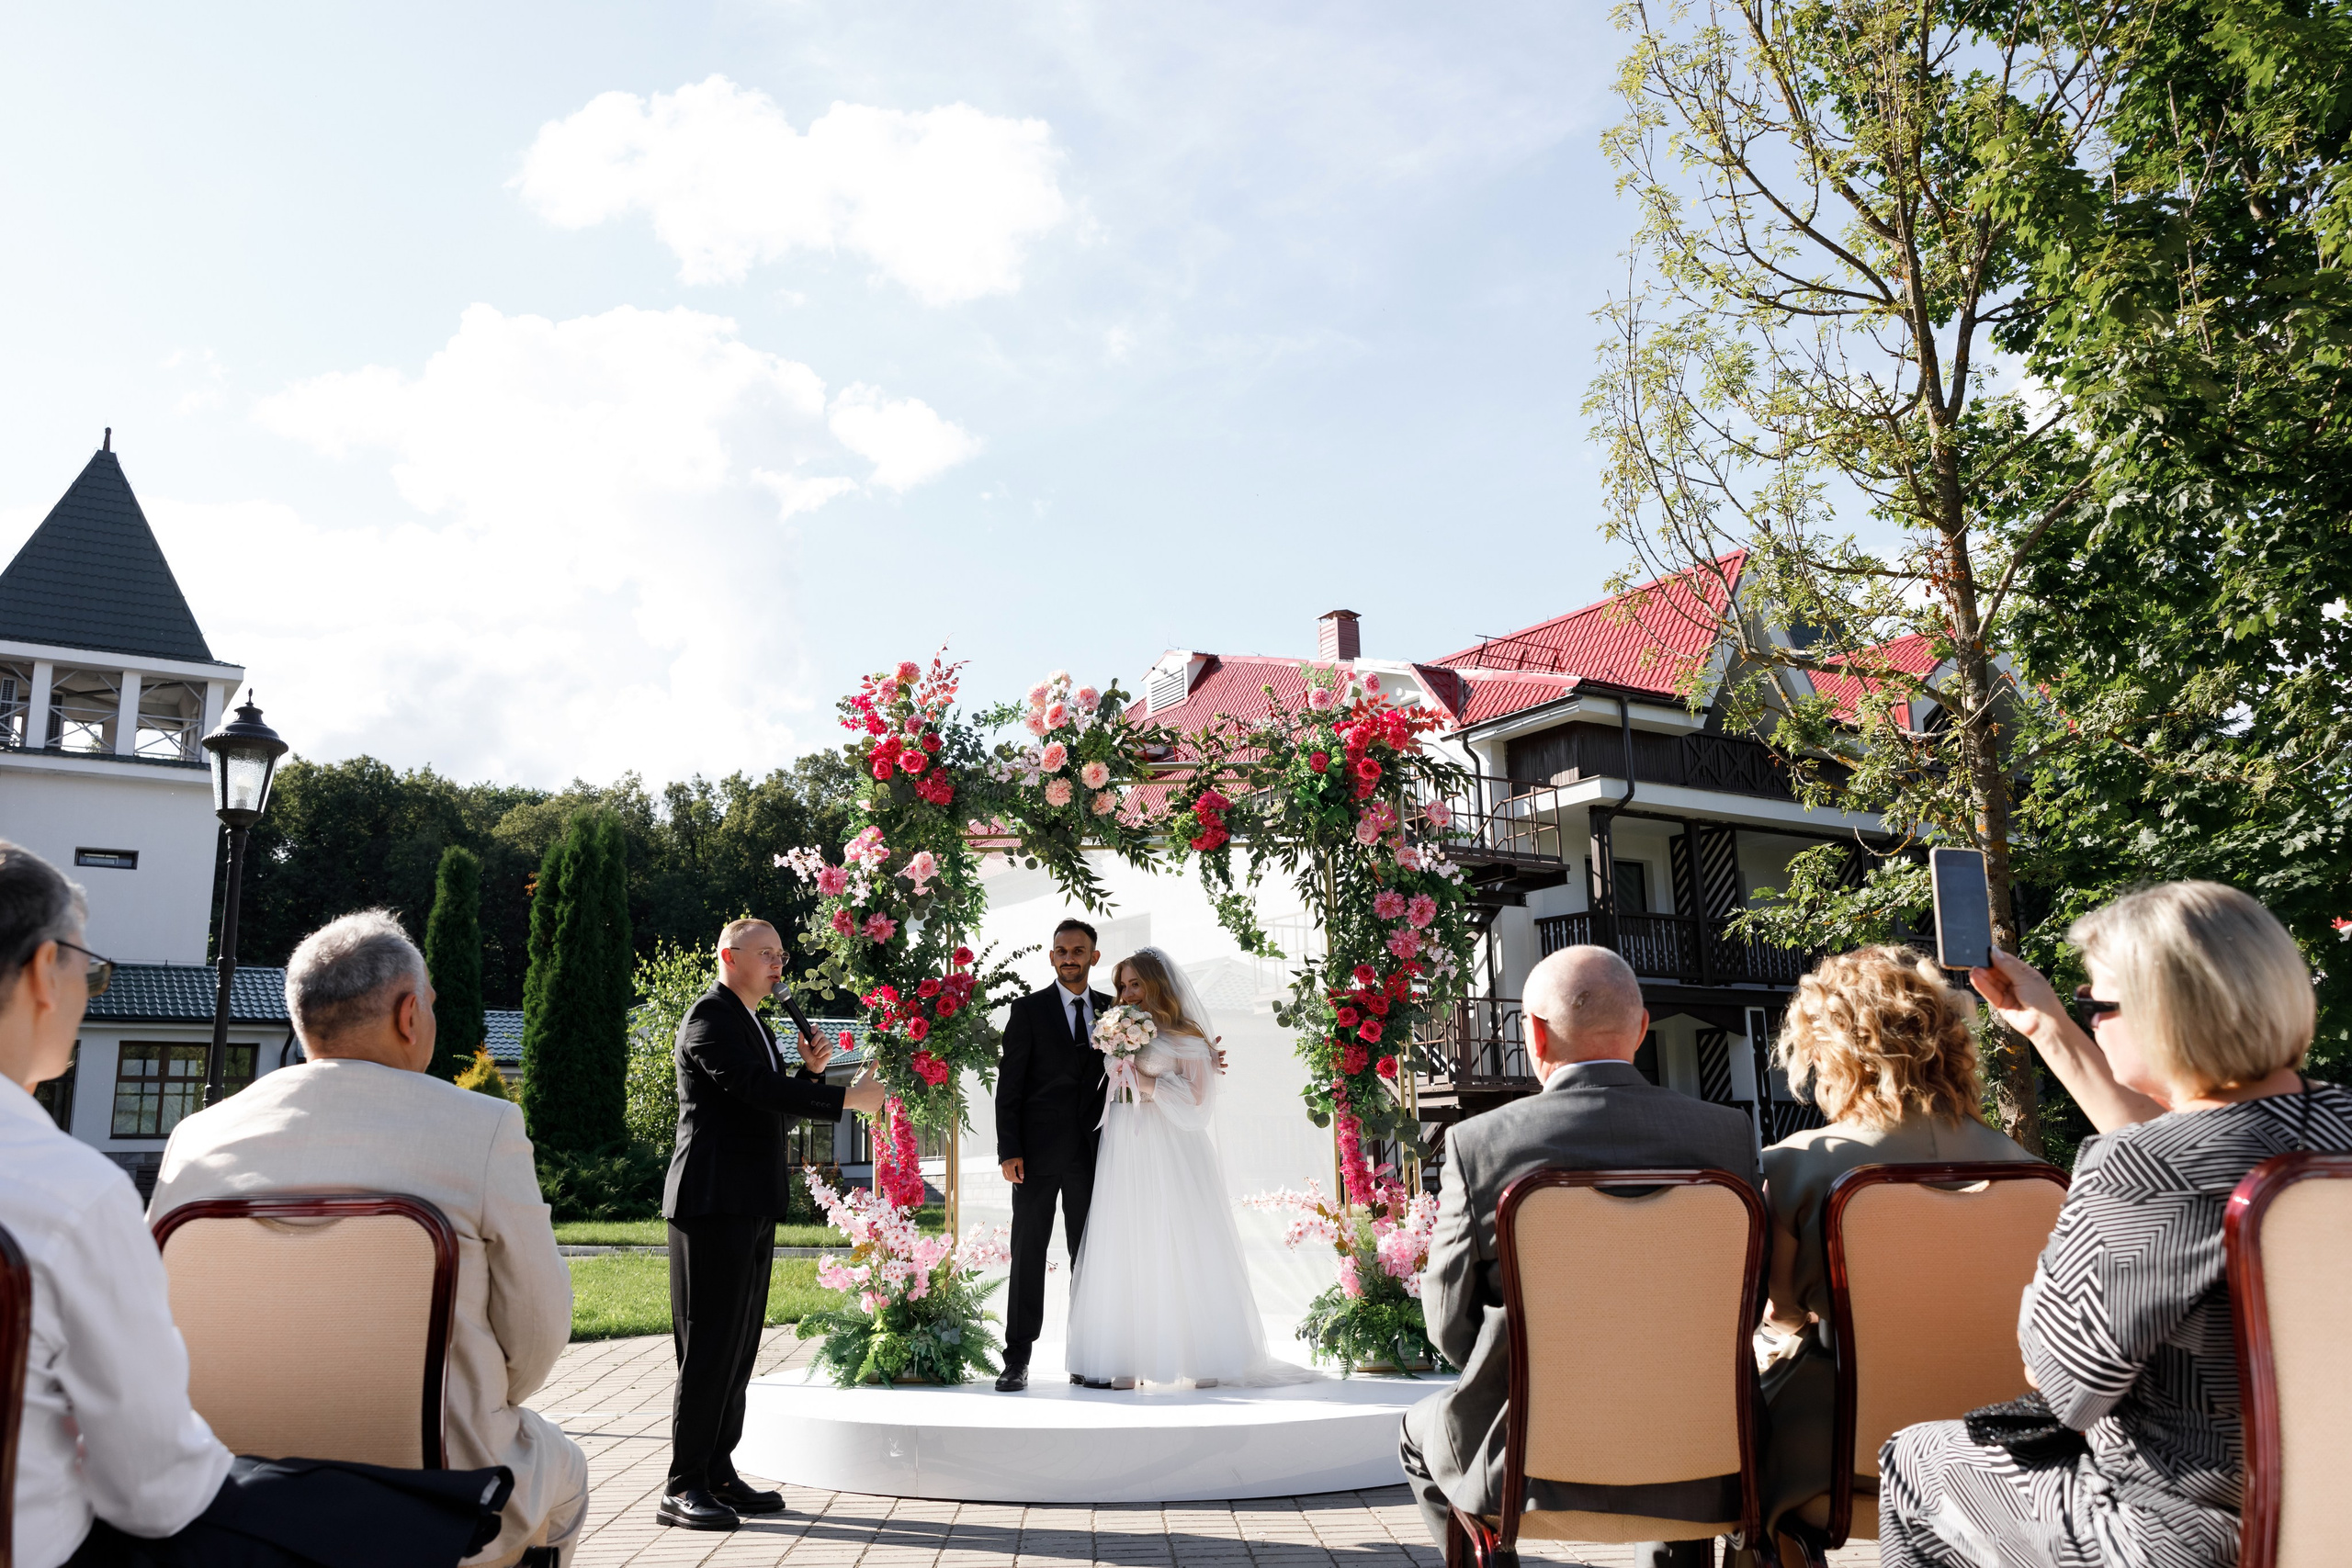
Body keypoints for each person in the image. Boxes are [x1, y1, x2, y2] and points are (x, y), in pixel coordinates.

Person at [0, 842, 511, 1568]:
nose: (91, 989)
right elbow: (153, 1490)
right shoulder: (69, 1193)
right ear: (43, 972)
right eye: (89, 967)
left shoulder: (188, 1138)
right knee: (406, 1516)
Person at [1878, 882, 2352, 1568]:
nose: (2092, 1020)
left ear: (2168, 1017)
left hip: (2183, 1533)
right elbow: (2203, 1155)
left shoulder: (2143, 1170)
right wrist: (2049, 1028)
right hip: (2328, 1519)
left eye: (2098, 1005)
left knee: (1918, 1458)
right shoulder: (2327, 1132)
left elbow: (2063, 1382)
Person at [151, 909, 586, 1566]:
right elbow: (537, 1332)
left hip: (236, 1491)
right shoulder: (485, 1127)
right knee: (568, 1470)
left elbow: (160, 1319)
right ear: (410, 1014)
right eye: (432, 1004)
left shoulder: (198, 1136)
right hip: (443, 1494)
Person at [1399, 945, 1760, 1568]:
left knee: (1417, 1432)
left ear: (1534, 1032)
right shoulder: (1726, 1135)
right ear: (1643, 1029)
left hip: (1529, 1467)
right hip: (1708, 1457)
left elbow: (1449, 1327)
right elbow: (1744, 1309)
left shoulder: (1479, 1144)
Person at [1752, 946, 2036, 1547]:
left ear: (1828, 1049)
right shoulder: (2033, 1173)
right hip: (2007, 1448)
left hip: (1841, 1456)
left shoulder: (1794, 1165)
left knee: (1743, 1425)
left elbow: (1782, 1312)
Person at [657, 918, 883, 1531]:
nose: (778, 963)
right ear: (729, 956)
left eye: (781, 953)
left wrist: (809, 1076)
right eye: (766, 953)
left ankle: (719, 1470)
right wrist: (843, 1099)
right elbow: (756, 1090)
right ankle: (682, 1484)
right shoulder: (708, 1016)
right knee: (708, 1344)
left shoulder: (753, 1020)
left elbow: (763, 1109)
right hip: (710, 1202)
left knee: (738, 1345)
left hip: (750, 1200)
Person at [1062, 947, 1306, 1389]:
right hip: (1124, 1143)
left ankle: (1202, 1355)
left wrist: (1146, 1082)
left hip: (1170, 1144)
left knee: (1181, 1237)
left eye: (1136, 983)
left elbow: (1196, 1102)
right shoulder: (1115, 1027)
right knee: (1127, 1238)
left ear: (1158, 984)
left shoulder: (1190, 1038)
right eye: (1122, 985)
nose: (1127, 993)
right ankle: (1126, 1357)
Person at [991, 918, 1113, 1392]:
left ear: (1093, 957)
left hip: (1093, 1154)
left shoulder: (1114, 1010)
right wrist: (1009, 1150)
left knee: (1088, 1256)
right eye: (1061, 950)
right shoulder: (1028, 1011)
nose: (1069, 957)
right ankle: (1017, 1358)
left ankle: (1088, 1355)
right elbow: (1010, 1088)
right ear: (1052, 957)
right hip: (1035, 1157)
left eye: (1078, 950)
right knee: (1028, 1253)